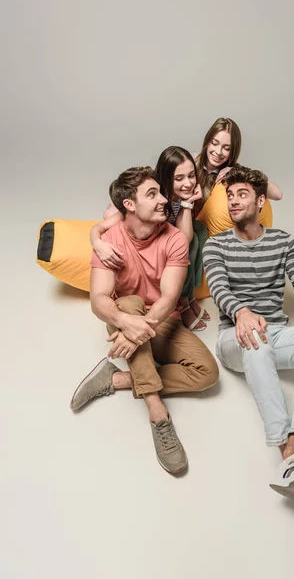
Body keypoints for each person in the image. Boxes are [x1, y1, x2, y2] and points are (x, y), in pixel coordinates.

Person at [203, 166, 294, 513]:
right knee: (254, 336)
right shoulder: (216, 246)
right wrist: (240, 312)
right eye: (229, 196)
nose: (234, 202)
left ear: (260, 200)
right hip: (233, 338)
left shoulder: (285, 242)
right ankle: (293, 459)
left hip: (276, 333)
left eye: (241, 195)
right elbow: (220, 290)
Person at [70, 166, 219, 475]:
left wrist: (138, 331)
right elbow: (99, 300)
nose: (164, 200)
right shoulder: (110, 239)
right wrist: (128, 323)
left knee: (208, 374)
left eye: (161, 192)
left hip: (160, 320)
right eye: (152, 195)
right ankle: (157, 413)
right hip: (126, 316)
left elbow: (168, 297)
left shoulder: (175, 238)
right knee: (128, 302)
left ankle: (113, 379)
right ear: (129, 205)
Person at [91, 147, 210, 331]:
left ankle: (188, 297)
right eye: (179, 178)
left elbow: (182, 237)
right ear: (167, 178)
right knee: (191, 242)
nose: (188, 183)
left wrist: (187, 202)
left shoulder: (177, 198)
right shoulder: (152, 199)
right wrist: (97, 242)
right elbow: (102, 225)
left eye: (191, 176)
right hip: (147, 240)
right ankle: (183, 301)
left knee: (200, 231)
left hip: (167, 242)